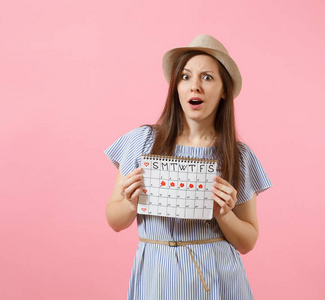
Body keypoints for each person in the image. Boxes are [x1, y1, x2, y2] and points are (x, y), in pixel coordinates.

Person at [104, 34, 272, 299]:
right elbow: (114, 220)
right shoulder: (141, 141)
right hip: (156, 276)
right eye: (185, 77)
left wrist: (223, 213)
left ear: (224, 90)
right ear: (176, 87)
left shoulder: (238, 156)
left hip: (218, 278)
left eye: (207, 77)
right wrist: (131, 202)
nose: (195, 86)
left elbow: (248, 241)